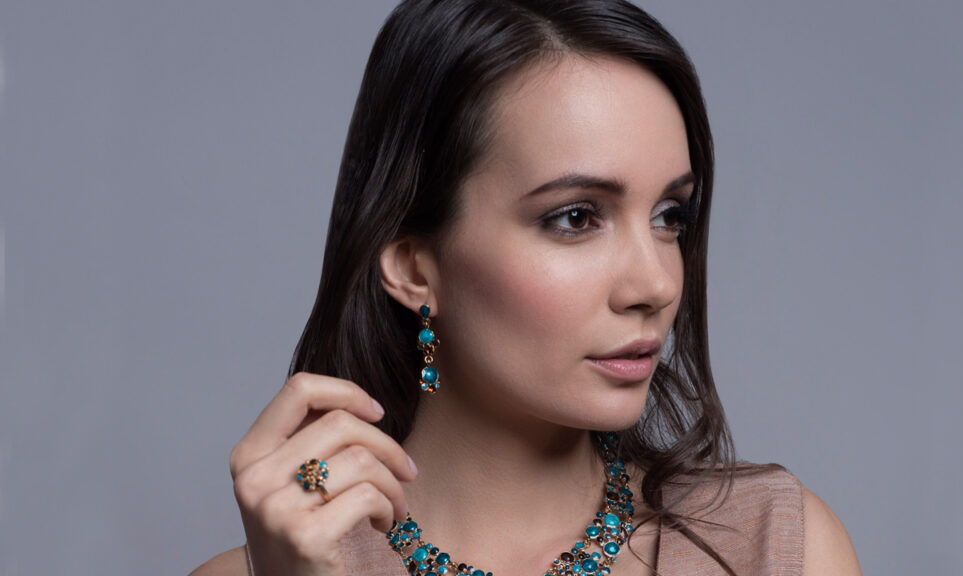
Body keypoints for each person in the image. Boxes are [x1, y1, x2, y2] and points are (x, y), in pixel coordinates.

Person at [191, 1, 862, 574]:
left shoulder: (774, 547)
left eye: (669, 217)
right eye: (576, 218)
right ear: (414, 268)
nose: (656, 284)